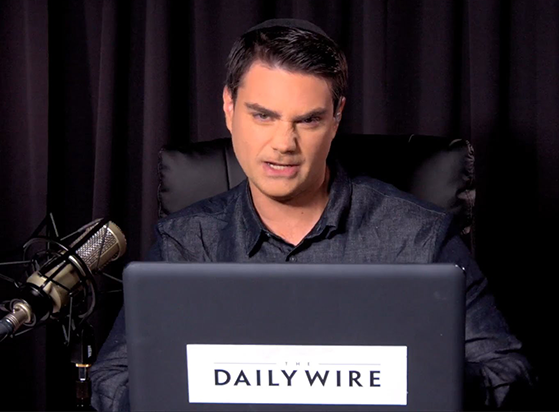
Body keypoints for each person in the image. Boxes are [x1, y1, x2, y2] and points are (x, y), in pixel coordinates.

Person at [91, 18, 536, 411]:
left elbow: (508, 374)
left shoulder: (419, 236)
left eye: (307, 120)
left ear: (336, 117)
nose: (284, 143)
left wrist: (418, 375)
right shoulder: (188, 242)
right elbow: (112, 379)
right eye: (263, 116)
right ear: (229, 108)